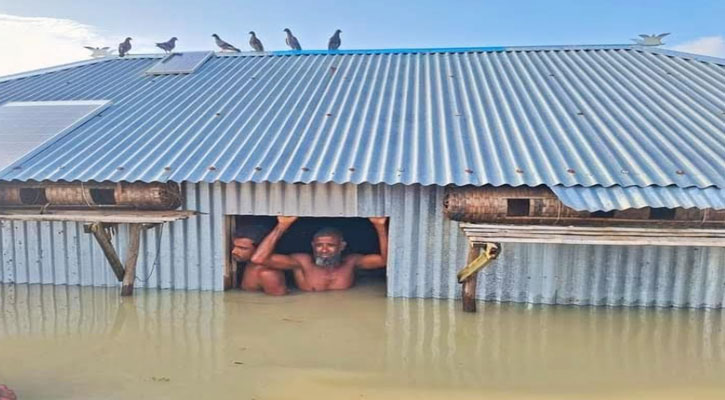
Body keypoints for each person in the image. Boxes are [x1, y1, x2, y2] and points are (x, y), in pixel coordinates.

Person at [250, 216, 388, 292]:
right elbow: (259, 259)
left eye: (331, 245)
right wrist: (281, 226)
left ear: (342, 246)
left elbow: (385, 260)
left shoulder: (352, 262)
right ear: (313, 246)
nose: (324, 250)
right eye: (319, 245)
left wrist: (380, 227)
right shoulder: (301, 262)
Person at [231, 224, 287, 296]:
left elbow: (277, 304)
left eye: (243, 248)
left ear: (259, 249)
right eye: (234, 246)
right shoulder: (248, 263)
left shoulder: (268, 275)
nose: (234, 251)